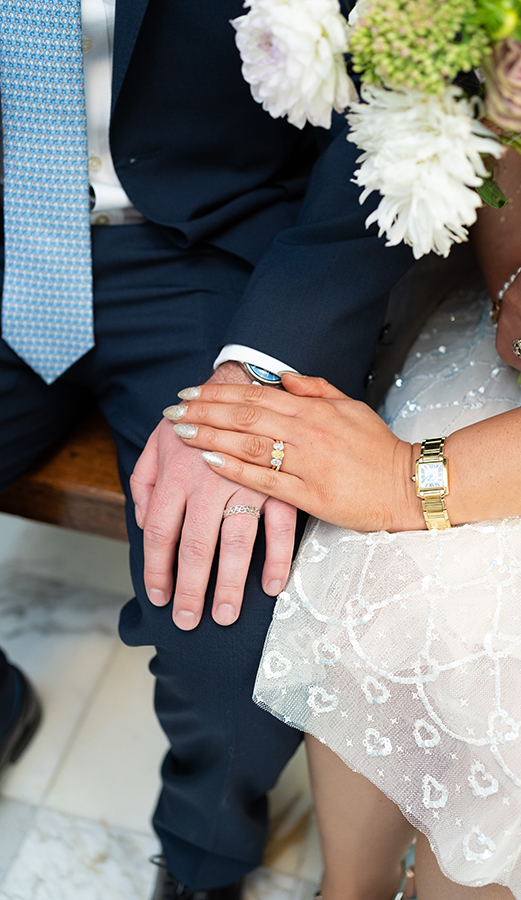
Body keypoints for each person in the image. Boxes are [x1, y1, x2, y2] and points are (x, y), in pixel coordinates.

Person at [0, 1, 431, 898]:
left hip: (207, 245)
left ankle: (205, 849)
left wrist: (265, 365)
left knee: (228, 617)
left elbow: (393, 114)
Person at [161, 142, 521, 899]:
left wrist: (405, 479)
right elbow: (505, 127)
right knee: (377, 570)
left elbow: (401, 482)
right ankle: (351, 885)